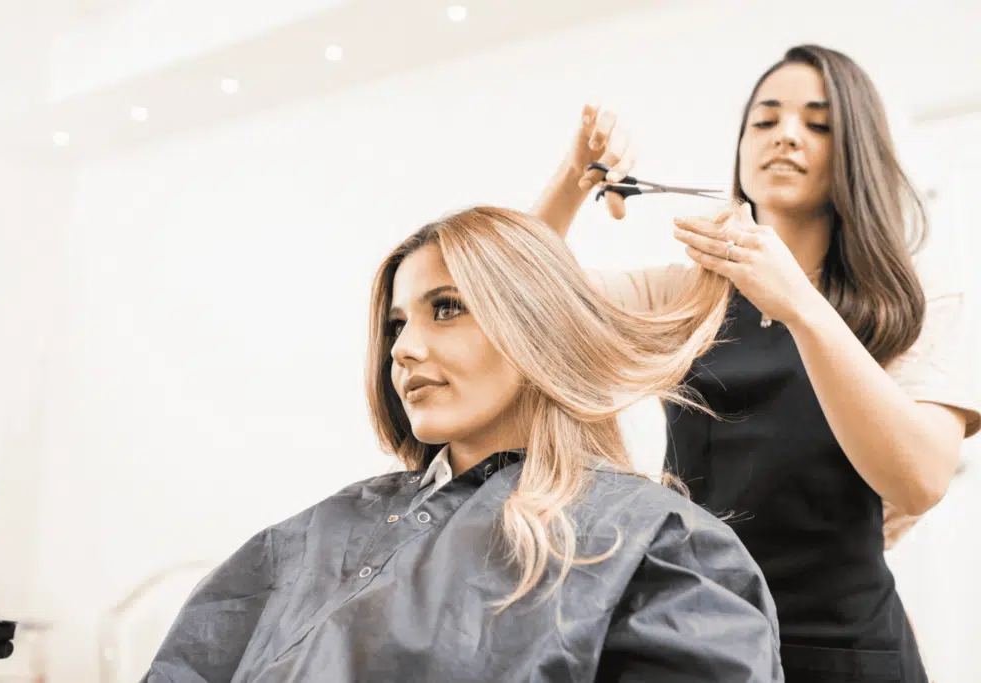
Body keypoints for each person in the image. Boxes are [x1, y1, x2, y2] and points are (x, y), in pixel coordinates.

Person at [142, 207, 783, 682]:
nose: (403, 349)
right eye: (397, 324)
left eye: (446, 308)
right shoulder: (318, 533)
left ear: (537, 323)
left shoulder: (654, 543)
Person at [534, 44, 980, 682]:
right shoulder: (688, 295)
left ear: (859, 152)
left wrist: (799, 303)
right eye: (764, 121)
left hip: (850, 651)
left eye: (818, 124)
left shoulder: (920, 297)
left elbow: (920, 481)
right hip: (696, 639)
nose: (786, 137)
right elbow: (507, 296)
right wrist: (572, 180)